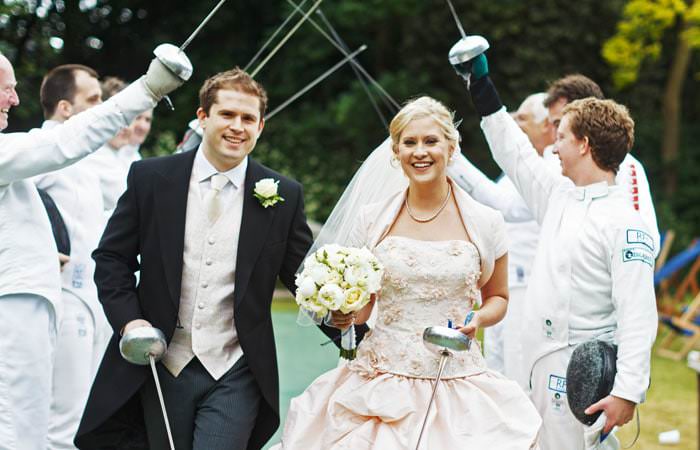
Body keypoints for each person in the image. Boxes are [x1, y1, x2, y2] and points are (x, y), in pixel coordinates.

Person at [75, 68, 365, 450]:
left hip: (237, 368)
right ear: (202, 117)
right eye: (227, 115)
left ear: (261, 126)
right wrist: (131, 322)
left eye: (248, 119)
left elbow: (302, 279)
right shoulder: (150, 178)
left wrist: (348, 331)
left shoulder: (283, 194)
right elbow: (112, 257)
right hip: (164, 363)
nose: (237, 127)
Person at [274, 96, 542, 449]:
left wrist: (476, 319)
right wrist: (347, 314)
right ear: (396, 151)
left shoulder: (486, 221)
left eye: (431, 141)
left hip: (456, 376)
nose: (420, 152)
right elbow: (365, 306)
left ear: (451, 146)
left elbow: (499, 297)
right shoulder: (372, 219)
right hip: (381, 380)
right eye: (410, 142)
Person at [457, 53, 657, 449]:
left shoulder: (626, 223)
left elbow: (638, 315)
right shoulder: (558, 196)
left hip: (582, 371)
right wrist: (481, 86)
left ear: (584, 145)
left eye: (561, 137)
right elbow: (513, 153)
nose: (551, 148)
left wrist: (627, 392)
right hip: (533, 361)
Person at [0, 49, 187, 449]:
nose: (15, 100)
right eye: (6, 89)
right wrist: (149, 88)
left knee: (31, 421)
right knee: (20, 424)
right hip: (20, 302)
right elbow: (65, 141)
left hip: (44, 300)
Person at [448, 92, 556, 388]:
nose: (512, 122)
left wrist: (453, 159)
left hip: (527, 286)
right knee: (497, 364)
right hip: (505, 285)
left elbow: (500, 204)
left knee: (517, 369)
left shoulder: (549, 169)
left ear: (547, 126)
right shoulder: (520, 171)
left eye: (522, 118)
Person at [33, 63, 114, 449]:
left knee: (84, 414)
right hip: (60, 297)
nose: (102, 107)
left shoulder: (89, 159)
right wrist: (48, 244)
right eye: (93, 100)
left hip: (92, 300)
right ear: (65, 108)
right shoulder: (41, 149)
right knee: (63, 418)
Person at [544, 74, 660, 256]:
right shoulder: (553, 161)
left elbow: (645, 242)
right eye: (551, 124)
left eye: (559, 123)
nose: (553, 134)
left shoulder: (626, 165)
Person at [79, 77, 150, 215]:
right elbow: (131, 201)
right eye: (118, 118)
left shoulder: (128, 154)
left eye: (130, 119)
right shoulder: (93, 155)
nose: (126, 127)